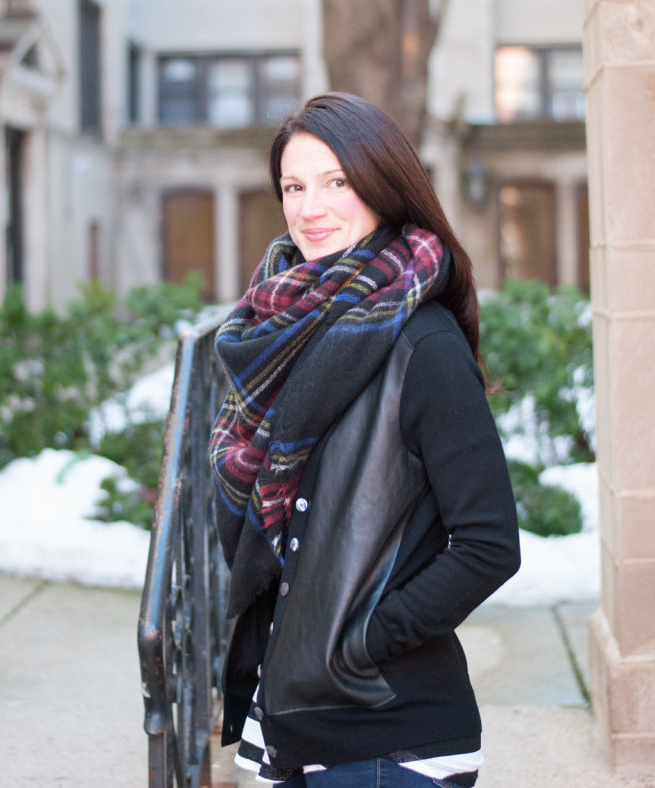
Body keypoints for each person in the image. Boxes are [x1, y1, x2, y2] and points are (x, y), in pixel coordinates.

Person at [209, 92, 520, 788]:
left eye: (336, 182)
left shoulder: (424, 345)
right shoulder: (282, 332)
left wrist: (354, 641)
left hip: (386, 738)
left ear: (383, 184)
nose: (309, 207)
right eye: (294, 185)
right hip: (291, 719)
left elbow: (488, 543)